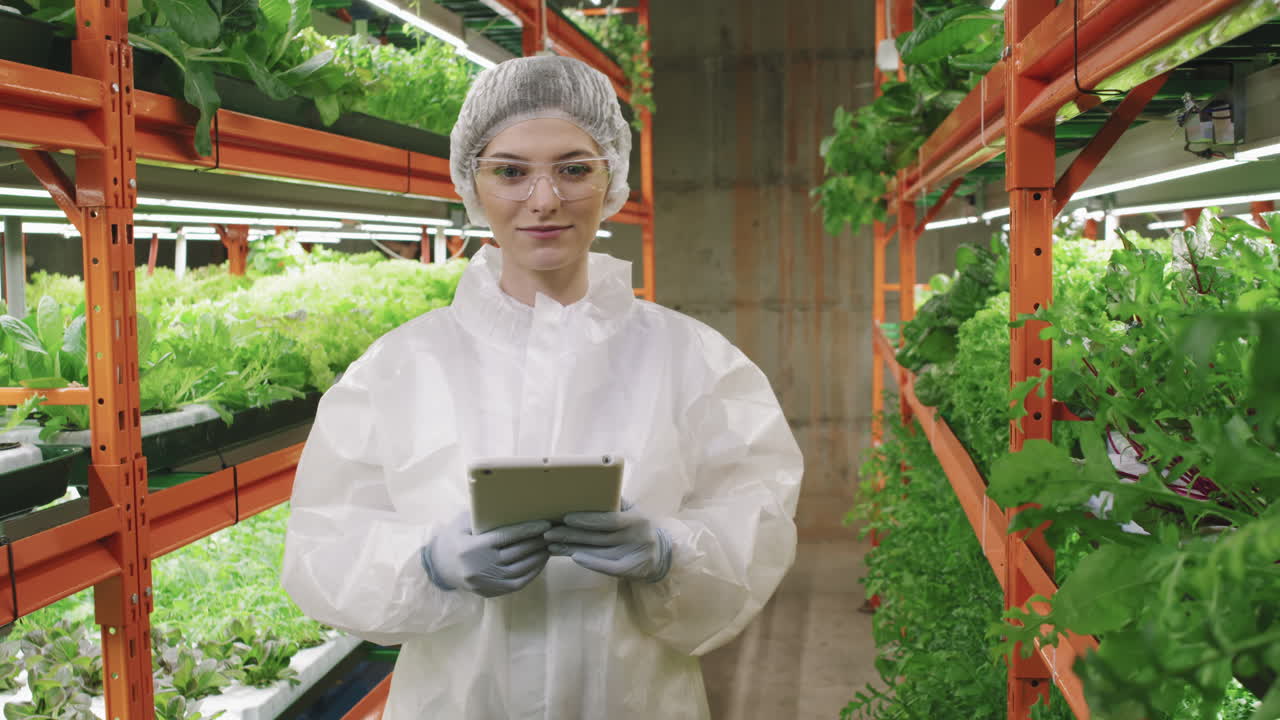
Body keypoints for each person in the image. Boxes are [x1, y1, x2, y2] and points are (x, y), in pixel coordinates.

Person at [281, 55, 803, 719]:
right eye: (510, 171)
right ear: (472, 181)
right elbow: (323, 546)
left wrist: (671, 552)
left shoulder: (693, 361)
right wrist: (427, 562)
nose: (544, 199)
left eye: (574, 169)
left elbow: (757, 518)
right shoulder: (399, 369)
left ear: (611, 177)